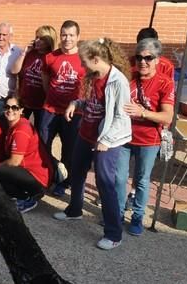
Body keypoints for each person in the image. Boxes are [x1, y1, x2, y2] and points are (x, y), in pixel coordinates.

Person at [53, 38, 131, 252]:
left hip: (108, 140)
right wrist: (75, 103)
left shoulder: (118, 81)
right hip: (86, 133)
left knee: (105, 183)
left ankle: (114, 233)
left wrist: (106, 140)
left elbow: (121, 116)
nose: (82, 65)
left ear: (96, 59)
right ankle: (74, 210)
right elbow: (94, 104)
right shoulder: (95, 77)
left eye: (84, 61)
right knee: (76, 172)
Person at [116, 38, 175, 236]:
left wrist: (143, 113)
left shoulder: (164, 83)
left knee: (141, 180)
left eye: (148, 58)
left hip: (149, 140)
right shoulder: (128, 76)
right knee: (119, 177)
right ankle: (116, 214)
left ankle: (137, 218)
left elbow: (167, 116)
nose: (142, 62)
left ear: (157, 60)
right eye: (139, 57)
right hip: (124, 137)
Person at [40, 20, 85, 197]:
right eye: (64, 35)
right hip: (50, 109)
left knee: (70, 149)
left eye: (71, 35)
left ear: (78, 37)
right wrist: (51, 96)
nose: (67, 39)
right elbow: (45, 80)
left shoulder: (84, 58)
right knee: (43, 145)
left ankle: (65, 182)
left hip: (74, 113)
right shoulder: (51, 57)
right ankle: (47, 176)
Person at [13, 25, 57, 128]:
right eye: (36, 37)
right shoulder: (30, 54)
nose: (37, 40)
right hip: (24, 101)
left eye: (41, 39)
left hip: (41, 104)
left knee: (38, 134)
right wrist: (24, 53)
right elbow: (15, 71)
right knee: (19, 128)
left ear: (49, 41)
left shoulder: (52, 57)